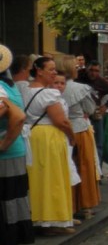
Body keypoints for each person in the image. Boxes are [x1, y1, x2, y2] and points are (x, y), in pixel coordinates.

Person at [25, 57, 75, 234]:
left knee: (37, 177)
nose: (55, 72)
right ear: (39, 71)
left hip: (32, 135)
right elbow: (61, 121)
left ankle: (36, 215)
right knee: (52, 178)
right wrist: (71, 137)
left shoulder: (25, 89)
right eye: (51, 69)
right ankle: (52, 220)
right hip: (48, 136)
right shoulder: (49, 93)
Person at [58, 56, 100, 220]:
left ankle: (70, 204)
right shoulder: (81, 88)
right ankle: (85, 204)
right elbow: (89, 109)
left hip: (60, 129)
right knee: (85, 166)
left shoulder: (52, 87)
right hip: (80, 130)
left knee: (66, 167)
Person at [0, 45, 31, 245]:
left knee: (7, 201)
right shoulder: (10, 86)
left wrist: (4, 143)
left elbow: (17, 116)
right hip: (17, 150)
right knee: (14, 199)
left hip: (6, 154)